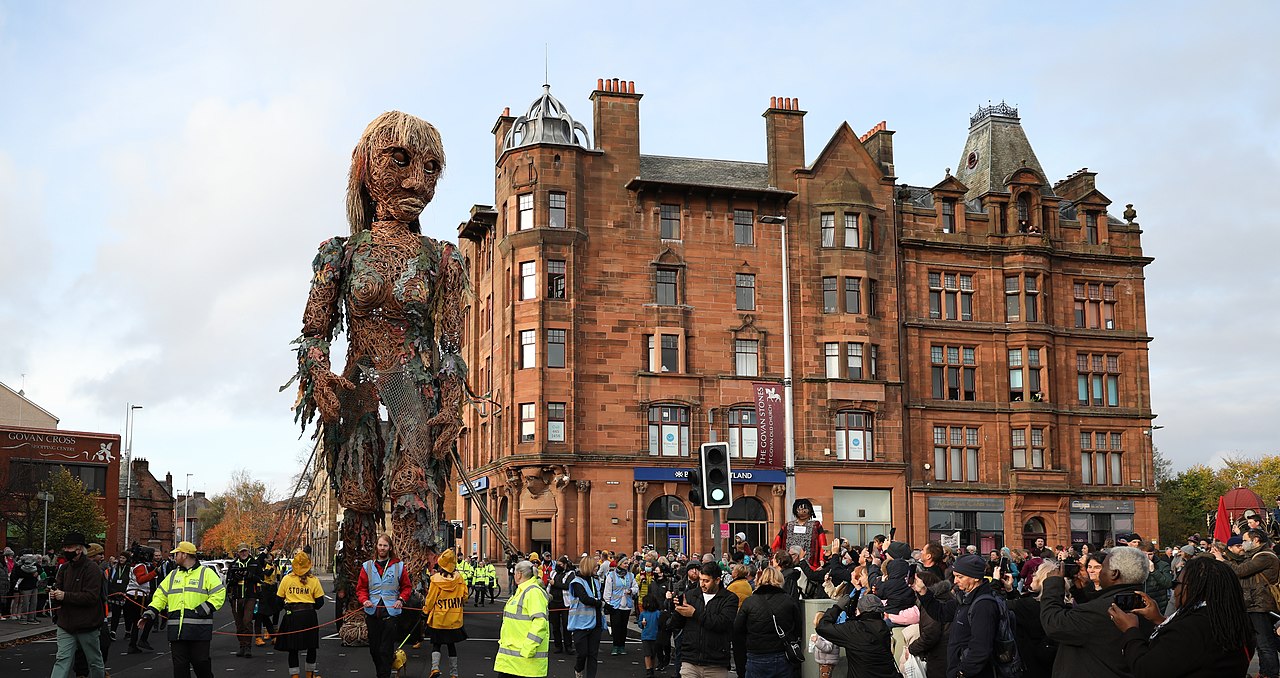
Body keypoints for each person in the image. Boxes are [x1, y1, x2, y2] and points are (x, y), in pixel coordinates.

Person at [1109, 557, 1254, 676]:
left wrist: (1130, 630)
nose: (1174, 590)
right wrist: (1158, 619)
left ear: (1193, 587)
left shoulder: (1190, 628)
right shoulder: (1233, 618)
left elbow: (1146, 670)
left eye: (1176, 583)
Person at [1041, 545, 1153, 677]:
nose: (1098, 573)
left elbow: (1054, 623)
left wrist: (1053, 584)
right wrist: (1082, 591)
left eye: (1102, 567)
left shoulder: (1105, 609)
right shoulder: (1144, 603)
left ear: (1114, 573)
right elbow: (1093, 623)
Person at [140, 541, 226, 678]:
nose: (174, 557)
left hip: (199, 630)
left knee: (201, 664)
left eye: (177, 554)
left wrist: (203, 609)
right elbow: (160, 596)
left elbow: (219, 594)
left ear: (185, 555)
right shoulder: (173, 575)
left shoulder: (206, 573)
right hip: (177, 631)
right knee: (180, 668)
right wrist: (150, 612)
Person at [1218, 527, 1279, 678]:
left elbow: (1241, 570)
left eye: (1245, 541)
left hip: (1261, 604)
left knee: (1265, 643)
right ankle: (1265, 671)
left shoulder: (1265, 556)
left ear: (1256, 540)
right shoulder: (1255, 555)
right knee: (1261, 642)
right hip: (1254, 604)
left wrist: (1222, 561)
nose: (1243, 544)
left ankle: (1270, 673)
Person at [48, 532, 105, 678]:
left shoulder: (92, 569)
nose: (66, 550)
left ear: (79, 549)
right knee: (62, 660)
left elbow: (91, 597)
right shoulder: (64, 568)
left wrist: (64, 596)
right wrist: (54, 594)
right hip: (66, 624)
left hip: (87, 624)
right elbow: (58, 589)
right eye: (65, 547)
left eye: (70, 547)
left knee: (94, 661)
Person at [356, 533, 412, 678]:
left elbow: (407, 587)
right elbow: (361, 588)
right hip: (372, 612)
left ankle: (384, 675)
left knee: (385, 650)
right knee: (374, 649)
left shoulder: (398, 566)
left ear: (390, 547)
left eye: (385, 545)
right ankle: (380, 672)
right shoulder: (367, 566)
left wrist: (401, 600)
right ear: (377, 546)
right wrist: (364, 600)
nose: (382, 548)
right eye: (380, 545)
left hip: (391, 613)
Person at [670, 562, 738, 678]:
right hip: (690, 660)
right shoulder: (691, 595)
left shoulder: (729, 599)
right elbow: (675, 624)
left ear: (717, 580)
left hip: (716, 662)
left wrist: (695, 613)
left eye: (706, 581)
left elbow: (722, 623)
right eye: (701, 580)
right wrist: (678, 609)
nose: (702, 584)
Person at [733, 566, 800, 678]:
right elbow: (798, 628)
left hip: (756, 655)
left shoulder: (749, 602)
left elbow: (738, 630)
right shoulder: (789, 601)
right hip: (782, 654)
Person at [944, 554, 1002, 678]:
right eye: (955, 576)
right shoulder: (965, 597)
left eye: (960, 577)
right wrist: (923, 593)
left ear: (975, 577)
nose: (955, 581)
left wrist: (961, 673)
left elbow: (981, 648)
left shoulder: (984, 605)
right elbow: (941, 612)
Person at [815, 591, 897, 678]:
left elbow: (822, 627)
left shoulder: (854, 629)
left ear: (860, 610)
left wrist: (837, 607)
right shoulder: (884, 628)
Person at [494, 560, 551, 678]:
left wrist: (527, 649)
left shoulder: (533, 592)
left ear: (519, 574)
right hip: (513, 661)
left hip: (524, 663)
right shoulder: (522, 591)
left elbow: (540, 622)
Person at [275, 550, 325, 678]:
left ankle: (295, 676)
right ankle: (310, 675)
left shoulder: (286, 579)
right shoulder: (313, 580)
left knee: (293, 649)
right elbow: (320, 602)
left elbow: (278, 601)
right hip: (309, 616)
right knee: (311, 647)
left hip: (292, 616)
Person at [423, 549, 469, 678]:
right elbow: (465, 596)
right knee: (451, 646)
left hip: (439, 619)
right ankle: (454, 673)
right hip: (454, 620)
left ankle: (435, 668)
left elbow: (430, 599)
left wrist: (425, 612)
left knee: (436, 644)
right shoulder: (459, 579)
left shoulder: (435, 580)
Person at [567, 555, 607, 678]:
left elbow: (599, 598)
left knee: (593, 654)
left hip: (596, 622)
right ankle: (578, 669)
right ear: (589, 567)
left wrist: (607, 606)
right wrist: (600, 603)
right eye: (595, 566)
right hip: (580, 623)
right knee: (582, 653)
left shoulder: (596, 581)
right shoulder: (576, 582)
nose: (597, 568)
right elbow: (584, 599)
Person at [770, 498, 827, 571]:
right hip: (788, 563)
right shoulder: (787, 526)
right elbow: (777, 542)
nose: (802, 511)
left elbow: (822, 543)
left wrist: (822, 559)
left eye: (804, 509)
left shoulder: (816, 525)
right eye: (799, 509)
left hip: (810, 565)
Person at [226, 543, 262, 657]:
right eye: (241, 551)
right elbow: (228, 581)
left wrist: (249, 575)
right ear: (238, 552)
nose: (244, 553)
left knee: (247, 621)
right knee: (239, 623)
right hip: (236, 597)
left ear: (248, 551)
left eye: (245, 551)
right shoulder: (233, 565)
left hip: (250, 596)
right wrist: (234, 578)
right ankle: (241, 645)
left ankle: (247, 646)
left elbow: (260, 578)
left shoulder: (254, 564)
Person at [123, 545, 158, 651]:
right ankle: (142, 639)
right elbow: (140, 580)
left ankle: (132, 645)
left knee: (136, 621)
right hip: (138, 596)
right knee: (150, 616)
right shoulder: (141, 566)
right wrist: (155, 572)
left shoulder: (135, 565)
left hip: (133, 595)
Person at [603, 557, 637, 655]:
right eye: (625, 563)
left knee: (623, 626)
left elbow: (635, 587)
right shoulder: (611, 576)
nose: (627, 565)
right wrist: (608, 604)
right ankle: (615, 646)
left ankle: (622, 646)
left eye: (627, 563)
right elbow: (607, 591)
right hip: (615, 605)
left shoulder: (631, 575)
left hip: (626, 605)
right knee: (616, 626)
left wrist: (631, 590)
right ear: (620, 564)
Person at [549, 557, 575, 655]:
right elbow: (549, 586)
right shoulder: (553, 573)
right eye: (557, 564)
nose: (558, 566)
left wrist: (555, 583)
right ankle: (558, 646)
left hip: (565, 603)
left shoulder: (570, 574)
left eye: (560, 564)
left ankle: (568, 646)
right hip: (553, 602)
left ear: (565, 564)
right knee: (555, 626)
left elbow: (568, 586)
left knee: (566, 625)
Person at [256, 547, 281, 647]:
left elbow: (278, 577)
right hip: (262, 591)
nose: (270, 558)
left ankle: (273, 633)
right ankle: (261, 635)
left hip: (272, 590)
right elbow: (265, 574)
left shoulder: (273, 566)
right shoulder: (262, 565)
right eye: (268, 556)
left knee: (273, 611)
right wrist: (272, 568)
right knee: (261, 614)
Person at [638, 590, 663, 678]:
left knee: (653, 654)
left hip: (654, 636)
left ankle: (651, 668)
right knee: (647, 654)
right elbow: (639, 623)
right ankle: (649, 670)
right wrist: (641, 623)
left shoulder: (657, 613)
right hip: (646, 637)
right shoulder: (643, 613)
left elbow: (660, 623)